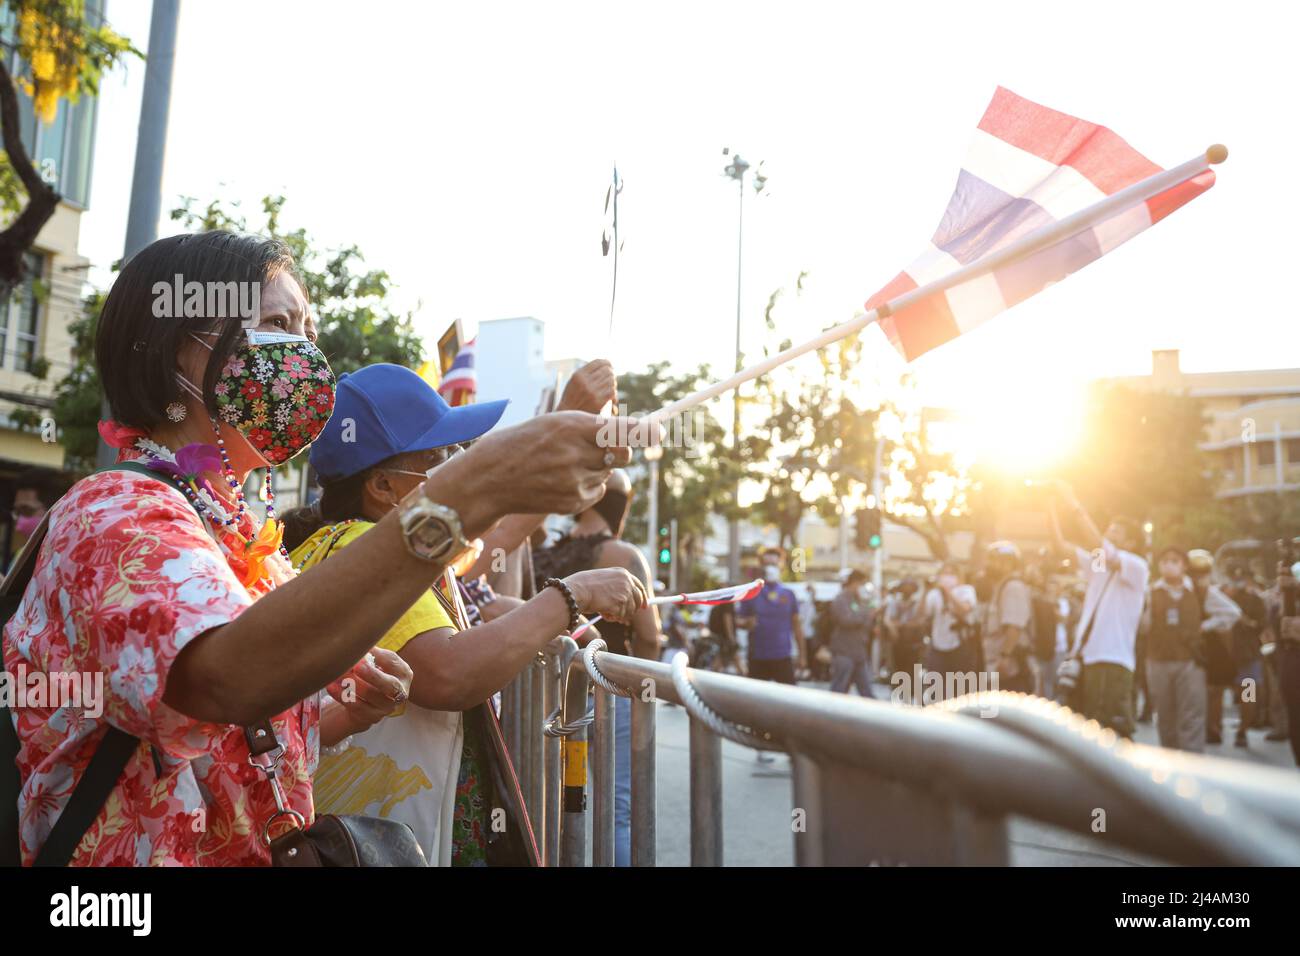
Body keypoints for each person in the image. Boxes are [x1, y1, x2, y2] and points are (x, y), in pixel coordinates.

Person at [2, 231, 640, 866]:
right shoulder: (116, 509)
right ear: (181, 352)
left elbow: (243, 737)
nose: (306, 353)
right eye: (278, 323)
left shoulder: (237, 532)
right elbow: (224, 681)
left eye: (307, 330)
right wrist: (465, 494)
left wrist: (343, 714)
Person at [281, 364, 647, 865]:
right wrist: (569, 597)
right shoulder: (363, 546)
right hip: (384, 836)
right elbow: (446, 673)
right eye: (439, 456)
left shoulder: (364, 543)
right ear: (384, 486)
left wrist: (566, 424)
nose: (457, 465)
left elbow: (496, 532)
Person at [531, 470, 660, 867]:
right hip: (608, 693)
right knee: (616, 808)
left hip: (547, 693)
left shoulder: (545, 554)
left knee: (550, 801)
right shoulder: (624, 556)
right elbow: (651, 635)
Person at [1046, 481, 1148, 738]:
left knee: (1110, 735)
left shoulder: (1136, 567)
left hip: (1112, 661)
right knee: (1084, 733)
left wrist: (1072, 501)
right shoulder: (1100, 565)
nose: (1108, 535)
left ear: (1132, 542)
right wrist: (1049, 506)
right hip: (1087, 658)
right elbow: (1060, 546)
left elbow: (1100, 546)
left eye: (1115, 532)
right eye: (1108, 530)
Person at [737, 548, 807, 763]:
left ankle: (790, 745)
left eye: (774, 564)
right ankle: (762, 746)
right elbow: (738, 620)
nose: (771, 568)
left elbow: (797, 626)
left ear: (781, 566)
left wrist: (803, 655)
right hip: (758, 656)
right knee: (758, 704)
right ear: (760, 565)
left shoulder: (789, 594)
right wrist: (747, 623)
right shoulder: (752, 592)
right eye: (766, 563)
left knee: (789, 702)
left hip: (782, 655)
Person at [1142, 547, 1208, 752]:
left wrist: (1203, 628)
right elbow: (1142, 627)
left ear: (1184, 565)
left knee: (1191, 717)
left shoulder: (1198, 590)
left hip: (1189, 662)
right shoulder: (1150, 592)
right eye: (1164, 561)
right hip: (1158, 661)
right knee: (1165, 716)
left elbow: (1230, 613)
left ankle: (1192, 768)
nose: (1168, 565)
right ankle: (1170, 766)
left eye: (1174, 561)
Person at [1187, 549, 1243, 746]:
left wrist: (1205, 626)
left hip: (1241, 656)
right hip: (1202, 649)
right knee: (1205, 692)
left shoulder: (1210, 594)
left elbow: (1235, 614)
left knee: (1241, 692)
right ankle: (1209, 728)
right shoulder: (1189, 591)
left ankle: (1237, 730)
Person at [979, 542, 1035, 694]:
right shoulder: (1000, 587)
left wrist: (1005, 657)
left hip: (1010, 670)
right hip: (997, 667)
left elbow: (1014, 626)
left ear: (1010, 564)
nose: (991, 564)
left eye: (996, 560)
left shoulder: (1013, 587)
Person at [1223, 561, 1267, 748]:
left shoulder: (1256, 600)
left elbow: (1261, 625)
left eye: (1242, 578)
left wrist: (1245, 621)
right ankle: (1214, 728)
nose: (1239, 581)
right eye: (1235, 577)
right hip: (1224, 656)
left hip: (1247, 656)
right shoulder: (1223, 596)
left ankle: (1243, 730)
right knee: (1219, 693)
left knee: (1248, 695)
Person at [923, 563, 979, 700]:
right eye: (945, 573)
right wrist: (926, 591)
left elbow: (964, 610)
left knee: (960, 691)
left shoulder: (967, 590)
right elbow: (923, 615)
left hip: (960, 646)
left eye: (951, 574)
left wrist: (948, 593)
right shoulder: (934, 594)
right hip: (937, 646)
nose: (947, 577)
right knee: (935, 690)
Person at [5, 467, 70, 572]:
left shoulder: (71, 559)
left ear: (56, 511)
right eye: (17, 512)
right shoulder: (21, 555)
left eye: (27, 510)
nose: (19, 523)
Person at [828, 570, 874, 696]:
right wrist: (866, 614)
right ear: (854, 583)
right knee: (839, 689)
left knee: (866, 691)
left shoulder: (860, 600)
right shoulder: (840, 599)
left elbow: (867, 624)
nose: (863, 587)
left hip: (859, 652)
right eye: (862, 583)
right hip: (844, 652)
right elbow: (846, 620)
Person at [885, 578, 928, 700]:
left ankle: (911, 692)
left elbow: (920, 621)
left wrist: (902, 625)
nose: (907, 590)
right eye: (904, 587)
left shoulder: (917, 603)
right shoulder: (894, 603)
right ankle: (898, 691)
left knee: (913, 668)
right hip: (898, 642)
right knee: (898, 666)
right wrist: (896, 628)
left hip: (914, 642)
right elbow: (889, 620)